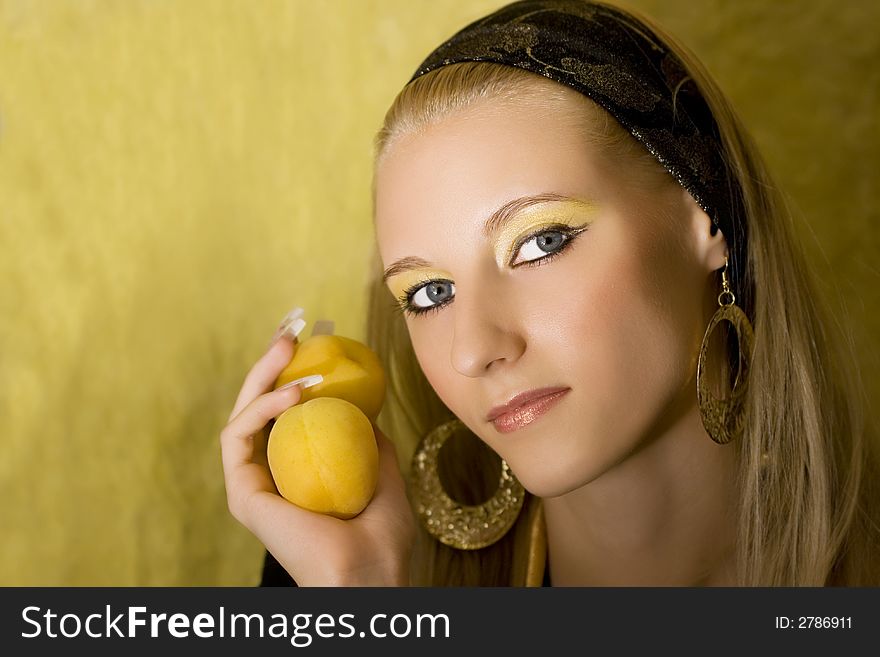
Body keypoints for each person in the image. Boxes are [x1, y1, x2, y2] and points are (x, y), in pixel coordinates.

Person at [221, 0, 880, 586]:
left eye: (540, 242)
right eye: (429, 292)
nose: (474, 348)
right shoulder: (346, 580)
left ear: (703, 214)